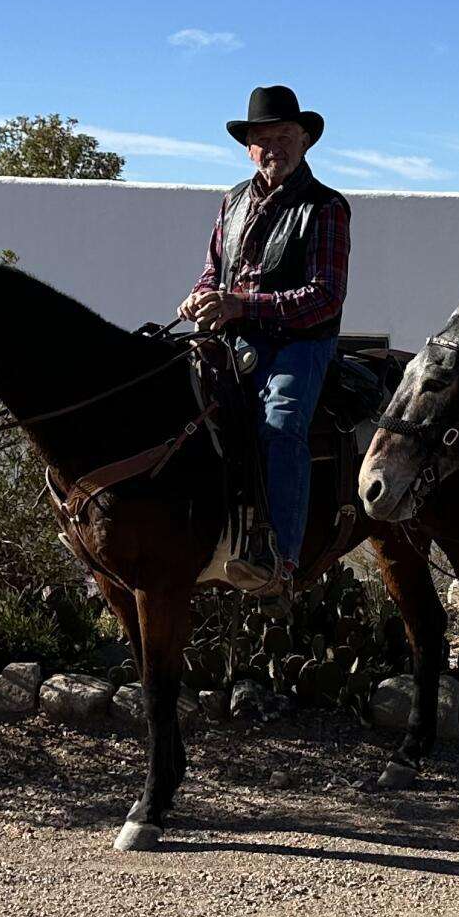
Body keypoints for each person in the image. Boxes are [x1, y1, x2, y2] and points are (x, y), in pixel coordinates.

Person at [179, 84, 351, 588]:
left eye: (283, 136)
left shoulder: (325, 207)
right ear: (248, 146)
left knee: (280, 421)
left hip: (300, 343)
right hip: (233, 338)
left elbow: (325, 296)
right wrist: (200, 298)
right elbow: (214, 271)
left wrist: (242, 305)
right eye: (262, 139)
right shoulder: (231, 202)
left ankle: (281, 558)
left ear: (304, 141)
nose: (272, 147)